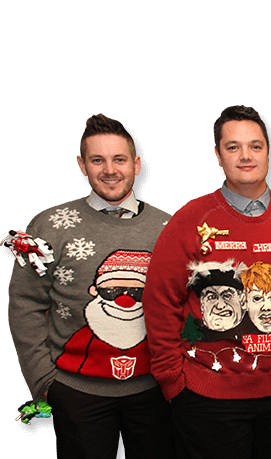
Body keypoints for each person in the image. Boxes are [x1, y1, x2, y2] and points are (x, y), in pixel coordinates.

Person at [142, 105, 271, 459]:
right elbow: (160, 300)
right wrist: (171, 379)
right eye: (233, 147)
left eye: (255, 146)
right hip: (209, 398)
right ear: (218, 154)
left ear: (268, 153)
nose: (246, 156)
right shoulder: (191, 219)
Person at [7, 113, 175, 458]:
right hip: (76, 392)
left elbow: (181, 302)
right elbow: (25, 302)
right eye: (98, 160)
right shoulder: (50, 225)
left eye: (119, 159)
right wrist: (44, 382)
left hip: (154, 391)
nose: (109, 170)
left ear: (137, 164)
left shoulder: (167, 227)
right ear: (82, 165)